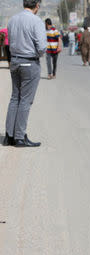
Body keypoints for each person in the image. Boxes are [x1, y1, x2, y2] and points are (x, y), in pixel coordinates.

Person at [3, 0, 47, 147]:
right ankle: (20, 137)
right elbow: (41, 47)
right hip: (29, 62)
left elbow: (8, 43)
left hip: (15, 61)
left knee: (15, 97)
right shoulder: (36, 21)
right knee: (25, 100)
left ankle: (9, 136)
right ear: (37, 5)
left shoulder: (13, 20)